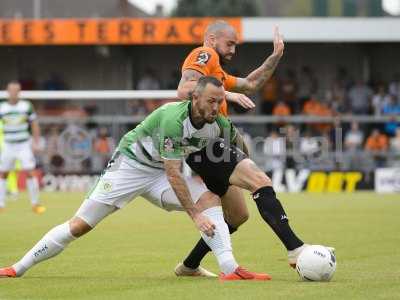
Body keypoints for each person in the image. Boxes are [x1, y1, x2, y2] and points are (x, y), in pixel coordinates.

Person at [0, 77, 270, 281]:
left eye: (220, 101)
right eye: (211, 100)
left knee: (209, 198)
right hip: (128, 167)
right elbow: (174, 171)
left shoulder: (219, 124)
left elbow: (238, 147)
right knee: (79, 226)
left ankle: (229, 269)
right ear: (195, 98)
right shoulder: (172, 118)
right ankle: (18, 267)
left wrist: (244, 170)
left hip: (158, 174)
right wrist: (195, 216)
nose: (216, 106)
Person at [175, 20, 285, 277]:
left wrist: (275, 57)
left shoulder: (217, 73)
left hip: (220, 139)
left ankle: (189, 266)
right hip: (208, 143)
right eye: (230, 43)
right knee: (259, 181)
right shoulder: (205, 54)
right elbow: (184, 89)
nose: (234, 49)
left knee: (238, 215)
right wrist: (225, 94)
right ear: (212, 39)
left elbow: (250, 83)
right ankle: (294, 247)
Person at [0, 81, 45, 214]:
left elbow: (34, 123)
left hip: (23, 144)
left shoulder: (26, 106)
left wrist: (36, 141)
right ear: (8, 92)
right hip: (8, 144)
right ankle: (1, 204)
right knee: (3, 173)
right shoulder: (2, 108)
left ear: (19, 92)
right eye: (12, 90)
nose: (14, 93)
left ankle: (35, 204)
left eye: (16, 91)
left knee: (30, 171)